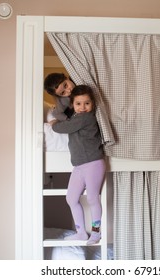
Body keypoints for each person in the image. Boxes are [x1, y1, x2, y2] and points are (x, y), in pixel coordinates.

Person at [50, 84, 106, 245]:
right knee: (71, 198)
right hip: (80, 165)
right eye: (78, 104)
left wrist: (53, 123)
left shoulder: (86, 118)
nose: (82, 107)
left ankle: (96, 233)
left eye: (87, 103)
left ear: (93, 104)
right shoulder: (76, 117)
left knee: (92, 198)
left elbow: (62, 128)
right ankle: (81, 232)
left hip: (93, 163)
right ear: (73, 105)